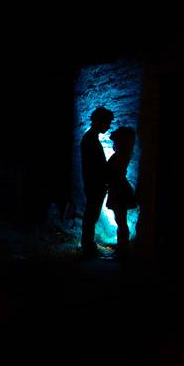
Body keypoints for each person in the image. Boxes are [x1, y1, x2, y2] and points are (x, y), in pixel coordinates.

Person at [80, 107, 113, 256]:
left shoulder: (90, 138)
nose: (109, 126)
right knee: (91, 215)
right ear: (99, 121)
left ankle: (88, 243)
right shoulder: (90, 140)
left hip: (93, 183)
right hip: (94, 184)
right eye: (107, 122)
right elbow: (95, 166)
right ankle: (87, 245)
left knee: (91, 214)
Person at [106, 127, 137, 258]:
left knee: (121, 220)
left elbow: (115, 173)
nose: (114, 143)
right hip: (119, 188)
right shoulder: (123, 154)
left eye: (117, 141)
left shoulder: (121, 155)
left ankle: (123, 249)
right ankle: (122, 248)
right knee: (120, 220)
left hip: (119, 189)